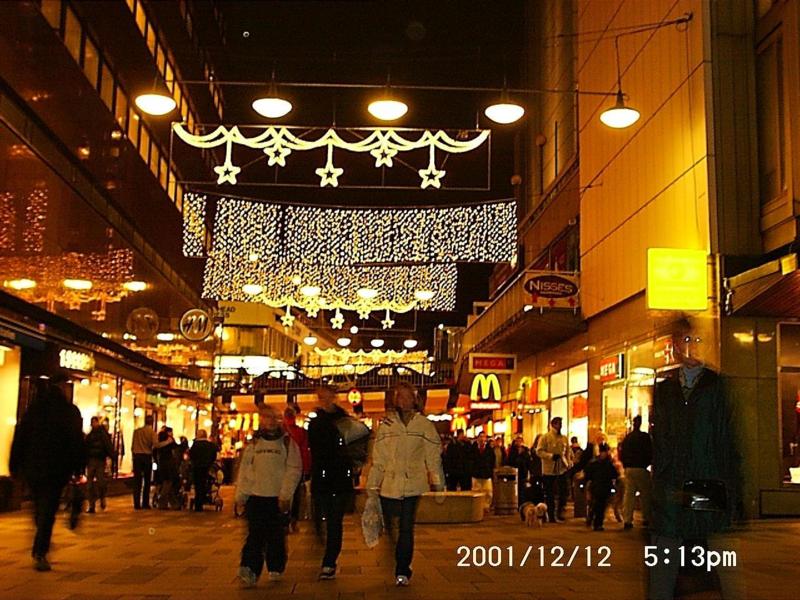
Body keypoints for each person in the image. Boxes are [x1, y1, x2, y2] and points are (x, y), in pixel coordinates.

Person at [367, 383, 444, 587]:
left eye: (408, 396)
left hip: (413, 484)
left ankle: (402, 569)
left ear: (415, 399)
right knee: (392, 526)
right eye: (400, 396)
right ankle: (397, 553)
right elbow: (379, 458)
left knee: (406, 527)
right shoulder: (387, 425)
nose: (404, 400)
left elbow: (433, 456)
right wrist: (372, 485)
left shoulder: (424, 425)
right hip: (389, 485)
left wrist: (437, 483)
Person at [9, 375, 85, 571]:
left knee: (39, 505)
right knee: (48, 508)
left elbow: (21, 436)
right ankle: (40, 549)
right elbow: (76, 441)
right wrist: (78, 468)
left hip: (33, 467)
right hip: (57, 468)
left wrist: (14, 464)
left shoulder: (34, 410)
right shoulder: (69, 412)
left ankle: (40, 539)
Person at [235, 403, 302, 588]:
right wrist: (241, 495)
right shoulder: (254, 444)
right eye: (266, 417)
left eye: (274, 417)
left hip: (276, 498)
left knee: (275, 535)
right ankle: (249, 568)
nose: (271, 421)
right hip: (256, 496)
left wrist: (286, 495)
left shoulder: (287, 443)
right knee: (254, 535)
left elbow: (294, 469)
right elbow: (246, 471)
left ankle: (276, 565)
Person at [307, 386, 354, 580]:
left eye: (326, 396)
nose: (324, 400)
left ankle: (329, 561)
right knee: (319, 517)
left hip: (339, 476)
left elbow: (353, 446)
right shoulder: (315, 422)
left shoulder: (344, 421)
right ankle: (323, 545)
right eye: (321, 397)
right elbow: (313, 448)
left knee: (334, 520)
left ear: (334, 397)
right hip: (320, 475)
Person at [535, 416, 573, 523]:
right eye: (558, 423)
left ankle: (560, 512)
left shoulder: (564, 438)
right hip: (549, 470)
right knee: (550, 493)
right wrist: (551, 456)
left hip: (562, 469)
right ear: (553, 424)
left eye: (561, 423)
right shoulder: (545, 437)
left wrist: (569, 462)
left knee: (563, 492)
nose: (560, 426)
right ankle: (550, 515)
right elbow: (539, 451)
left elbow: (568, 452)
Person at [620, 414, 653, 530]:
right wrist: (648, 463)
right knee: (645, 495)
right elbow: (650, 452)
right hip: (641, 468)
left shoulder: (628, 438)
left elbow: (622, 452)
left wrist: (625, 464)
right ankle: (646, 518)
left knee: (629, 496)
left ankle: (627, 520)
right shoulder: (645, 437)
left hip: (630, 468)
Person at [283, 404, 311, 532]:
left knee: (283, 494)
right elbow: (304, 451)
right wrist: (306, 468)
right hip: (296, 467)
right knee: (295, 495)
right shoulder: (300, 432)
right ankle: (293, 521)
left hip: (282, 468)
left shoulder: (281, 431)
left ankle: (284, 520)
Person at [584, 442, 619, 531]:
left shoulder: (594, 462)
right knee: (600, 505)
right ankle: (597, 523)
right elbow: (614, 474)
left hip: (597, 486)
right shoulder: (608, 463)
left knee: (597, 504)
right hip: (602, 486)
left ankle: (592, 518)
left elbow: (588, 474)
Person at [85, 416, 113, 513]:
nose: (94, 424)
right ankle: (91, 505)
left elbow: (108, 445)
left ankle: (101, 498)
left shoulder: (102, 434)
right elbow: (86, 448)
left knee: (101, 482)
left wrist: (112, 455)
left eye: (95, 422)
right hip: (91, 461)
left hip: (100, 461)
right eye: (92, 422)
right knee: (89, 485)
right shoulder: (89, 436)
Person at [131, 415, 157, 509]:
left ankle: (136, 503)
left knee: (137, 481)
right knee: (147, 481)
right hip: (146, 456)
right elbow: (156, 444)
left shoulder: (137, 431)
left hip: (137, 456)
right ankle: (145, 503)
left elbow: (132, 446)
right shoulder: (152, 432)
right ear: (152, 422)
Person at [189, 429, 218, 512]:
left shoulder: (195, 445)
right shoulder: (210, 445)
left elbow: (191, 455)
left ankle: (198, 504)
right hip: (207, 468)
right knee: (205, 484)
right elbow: (214, 456)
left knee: (198, 485)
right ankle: (204, 498)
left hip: (197, 467)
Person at [471, 432, 495, 512]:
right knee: (476, 491)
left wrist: (490, 470)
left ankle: (486, 506)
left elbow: (492, 461)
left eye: (483, 437)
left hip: (486, 474)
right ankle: (477, 506)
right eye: (480, 437)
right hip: (476, 474)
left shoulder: (489, 450)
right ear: (477, 438)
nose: (482, 439)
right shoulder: (473, 449)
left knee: (488, 492)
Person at [155, 428, 179, 509]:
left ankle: (174, 504)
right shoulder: (169, 443)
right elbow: (176, 449)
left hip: (162, 465)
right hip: (168, 466)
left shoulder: (159, 444)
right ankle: (162, 502)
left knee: (168, 484)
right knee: (168, 483)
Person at [506, 435, 532, 506]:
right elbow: (510, 461)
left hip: (523, 472)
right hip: (514, 472)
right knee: (515, 488)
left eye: (520, 441)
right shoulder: (512, 450)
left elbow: (528, 462)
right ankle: (515, 502)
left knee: (522, 489)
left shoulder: (525, 450)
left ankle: (522, 503)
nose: (519, 442)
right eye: (517, 441)